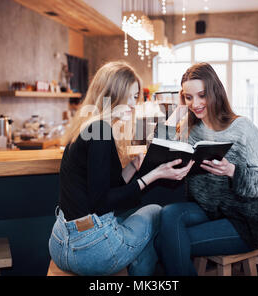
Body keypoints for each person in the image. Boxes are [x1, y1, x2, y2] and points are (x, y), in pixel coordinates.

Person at [48, 61, 194, 276]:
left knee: (136, 224)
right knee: (154, 212)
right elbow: (101, 202)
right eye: (127, 97)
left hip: (61, 244)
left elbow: (103, 190)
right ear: (109, 95)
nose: (134, 104)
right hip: (90, 251)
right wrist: (155, 175)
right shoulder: (101, 131)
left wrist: (133, 167)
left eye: (135, 97)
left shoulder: (88, 126)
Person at [155, 62, 258, 275]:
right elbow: (160, 145)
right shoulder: (190, 127)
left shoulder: (243, 127)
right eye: (189, 97)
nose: (196, 103)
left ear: (215, 91)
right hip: (208, 210)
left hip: (244, 220)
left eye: (201, 95)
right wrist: (180, 109)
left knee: (169, 241)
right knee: (167, 215)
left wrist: (232, 171)